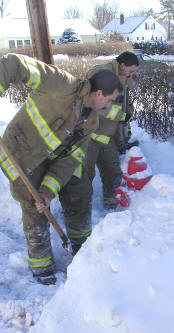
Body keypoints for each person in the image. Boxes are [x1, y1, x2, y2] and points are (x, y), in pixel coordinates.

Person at [0, 53, 122, 285]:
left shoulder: (91, 121)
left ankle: (81, 249)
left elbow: (71, 160)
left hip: (54, 158)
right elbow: (13, 64)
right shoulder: (61, 84)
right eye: (109, 101)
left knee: (81, 189)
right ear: (98, 94)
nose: (108, 107)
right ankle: (41, 265)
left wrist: (48, 192)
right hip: (23, 155)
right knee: (33, 205)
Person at [85, 51, 139, 209]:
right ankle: (82, 207)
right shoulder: (102, 73)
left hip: (107, 134)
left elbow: (124, 104)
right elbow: (91, 103)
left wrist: (126, 122)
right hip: (90, 132)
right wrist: (120, 116)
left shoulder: (124, 79)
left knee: (112, 170)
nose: (132, 74)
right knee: (85, 173)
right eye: (131, 70)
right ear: (122, 65)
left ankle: (112, 202)